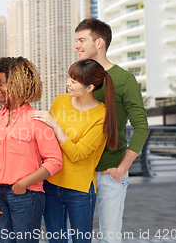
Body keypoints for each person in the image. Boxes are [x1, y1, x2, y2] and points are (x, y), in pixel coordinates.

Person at [74, 18, 148, 243]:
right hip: (78, 173)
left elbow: (141, 127)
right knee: (74, 236)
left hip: (109, 172)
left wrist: (122, 168)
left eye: (81, 40)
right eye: (75, 40)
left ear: (99, 43)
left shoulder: (124, 80)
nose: (76, 45)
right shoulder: (77, 78)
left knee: (110, 238)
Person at [31, 59, 118, 243]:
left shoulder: (101, 116)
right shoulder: (61, 101)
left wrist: (54, 125)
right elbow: (48, 141)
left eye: (74, 81)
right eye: (69, 78)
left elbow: (77, 154)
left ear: (89, 88)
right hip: (51, 183)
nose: (68, 83)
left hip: (79, 190)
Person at [0, 56, 63, 243]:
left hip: (27, 196)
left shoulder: (37, 120)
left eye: (2, 83)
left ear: (18, 84)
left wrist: (23, 184)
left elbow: (55, 161)